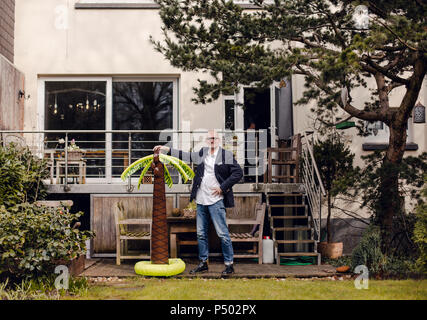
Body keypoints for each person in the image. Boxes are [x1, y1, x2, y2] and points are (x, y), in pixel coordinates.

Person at [153, 130, 243, 275]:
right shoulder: (202, 152)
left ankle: (229, 264)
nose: (212, 140)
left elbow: (238, 173)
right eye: (209, 138)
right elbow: (187, 156)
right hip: (201, 200)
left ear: (219, 140)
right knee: (201, 234)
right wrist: (166, 150)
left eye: (214, 138)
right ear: (207, 141)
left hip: (216, 201)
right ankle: (203, 263)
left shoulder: (225, 155)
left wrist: (222, 187)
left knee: (222, 234)